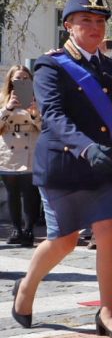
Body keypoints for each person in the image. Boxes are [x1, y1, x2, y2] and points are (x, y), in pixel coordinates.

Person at [11, 0, 112, 338]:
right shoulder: (51, 65)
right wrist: (86, 148)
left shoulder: (109, 67)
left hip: (103, 164)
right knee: (64, 241)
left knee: (109, 233)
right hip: (66, 162)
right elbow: (54, 117)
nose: (95, 28)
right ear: (68, 26)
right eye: (86, 21)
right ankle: (27, 287)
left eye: (100, 22)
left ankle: (107, 312)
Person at [0, 66, 42, 246]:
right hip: (9, 151)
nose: (22, 81)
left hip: (31, 148)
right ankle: (16, 229)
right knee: (12, 194)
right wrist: (7, 109)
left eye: (26, 78)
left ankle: (29, 230)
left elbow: (45, 127)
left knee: (31, 193)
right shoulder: (3, 99)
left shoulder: (38, 98)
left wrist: (34, 114)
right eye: (18, 78)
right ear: (10, 80)